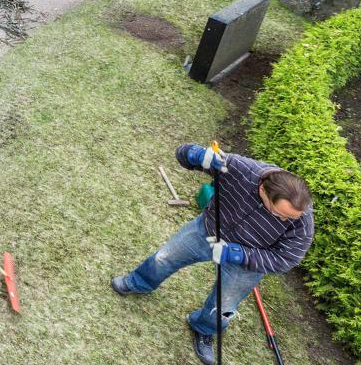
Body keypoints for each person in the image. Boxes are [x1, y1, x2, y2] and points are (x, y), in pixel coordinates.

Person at [110, 144, 313, 365]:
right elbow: (182, 155)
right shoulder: (240, 169)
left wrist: (239, 254)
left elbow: (286, 259)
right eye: (279, 214)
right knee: (164, 258)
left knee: (224, 306)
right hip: (206, 230)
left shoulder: (300, 219)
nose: (286, 220)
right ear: (263, 190)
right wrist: (195, 155)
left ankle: (204, 327)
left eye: (290, 217)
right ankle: (138, 282)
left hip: (246, 262)